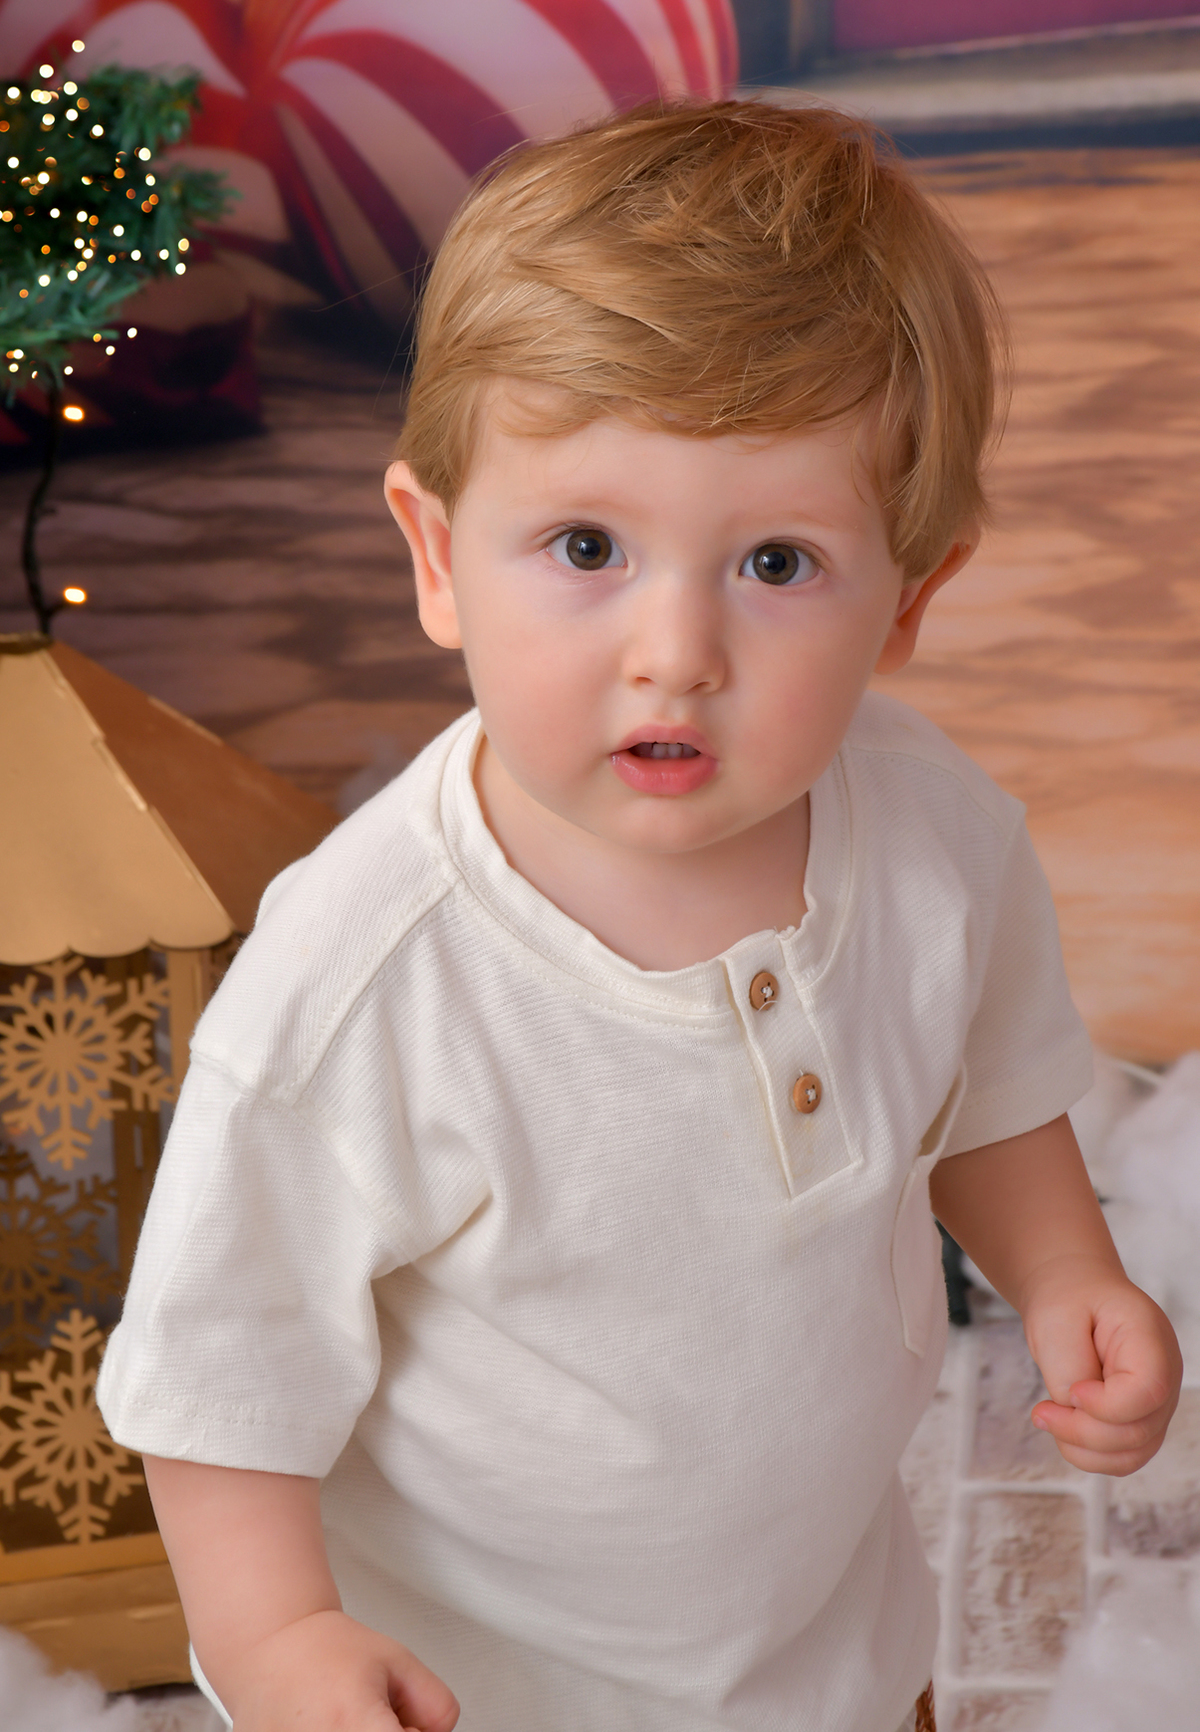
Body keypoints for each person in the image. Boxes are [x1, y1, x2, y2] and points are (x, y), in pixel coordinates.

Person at [97, 101, 1181, 1732]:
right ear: (439, 556)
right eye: (588, 546)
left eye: (777, 565)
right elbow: (223, 1369)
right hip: (482, 1690)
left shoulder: (934, 833)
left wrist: (1063, 1267)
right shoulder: (364, 977)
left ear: (910, 600)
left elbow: (983, 1091)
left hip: (831, 1649)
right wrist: (274, 1635)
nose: (677, 652)